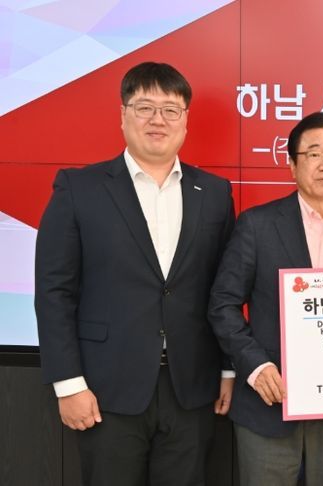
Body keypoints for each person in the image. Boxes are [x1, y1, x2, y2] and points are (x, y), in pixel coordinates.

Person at [35, 62, 235, 486]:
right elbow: (54, 292)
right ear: (123, 115)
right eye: (145, 107)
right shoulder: (78, 188)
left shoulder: (215, 193)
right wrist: (67, 383)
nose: (157, 120)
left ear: (185, 120)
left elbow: (224, 291)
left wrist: (227, 370)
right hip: (105, 388)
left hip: (191, 387)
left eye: (170, 109)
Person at [209, 111, 323, 486]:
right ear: (292, 165)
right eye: (314, 154)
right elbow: (223, 305)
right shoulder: (257, 225)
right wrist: (256, 366)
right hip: (269, 403)